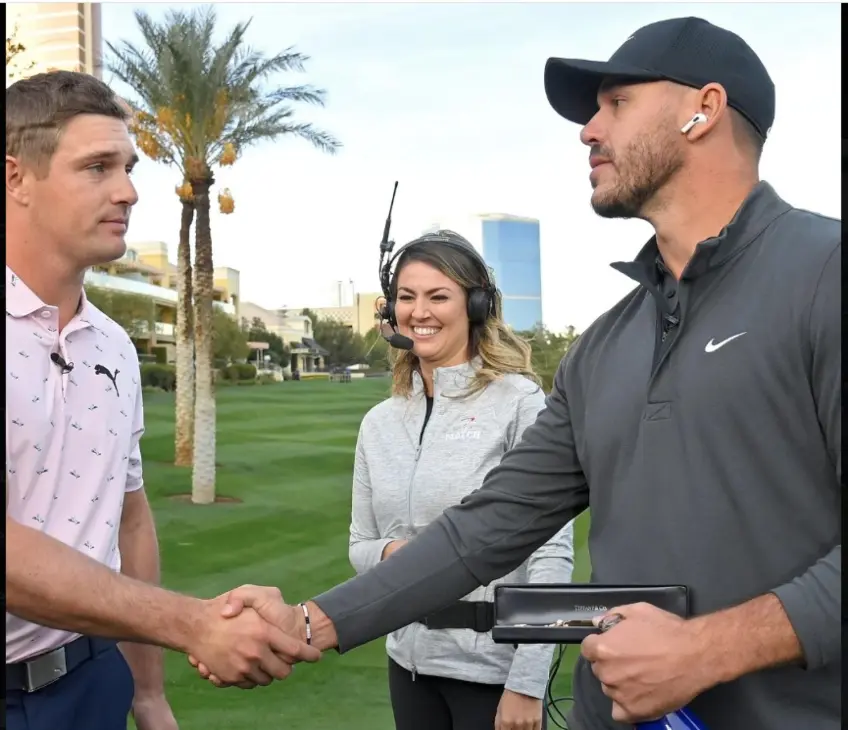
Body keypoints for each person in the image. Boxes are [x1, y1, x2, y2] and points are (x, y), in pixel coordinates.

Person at [196, 17, 840, 730]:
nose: (588, 130)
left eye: (616, 103)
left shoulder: (826, 277)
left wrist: (710, 650)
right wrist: (311, 621)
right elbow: (489, 528)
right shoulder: (603, 348)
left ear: (704, 109)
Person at [5, 70, 319, 730]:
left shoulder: (114, 347)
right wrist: (191, 622)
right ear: (15, 179)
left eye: (128, 167)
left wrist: (148, 692)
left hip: (91, 685)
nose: (127, 191)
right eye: (97, 167)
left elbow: (129, 520)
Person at [348, 231, 574, 730]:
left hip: (494, 677)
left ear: (474, 305)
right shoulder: (379, 423)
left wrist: (527, 683)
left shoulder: (519, 403)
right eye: (407, 297)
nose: (419, 312)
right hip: (407, 668)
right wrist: (398, 556)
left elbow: (551, 553)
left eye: (438, 296)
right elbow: (360, 546)